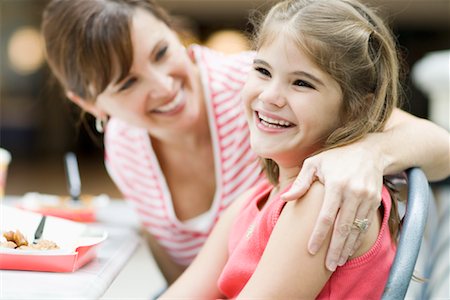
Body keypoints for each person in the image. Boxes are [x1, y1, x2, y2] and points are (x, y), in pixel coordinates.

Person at [41, 0, 450, 285]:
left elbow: (434, 143)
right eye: (128, 82)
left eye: (163, 52)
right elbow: (187, 275)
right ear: (89, 103)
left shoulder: (260, 88)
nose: (164, 86)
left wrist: (367, 152)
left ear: (176, 31)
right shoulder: (125, 148)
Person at [161, 0, 425, 298]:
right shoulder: (262, 195)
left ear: (356, 108)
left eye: (302, 83)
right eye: (262, 70)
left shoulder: (322, 199)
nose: (270, 96)